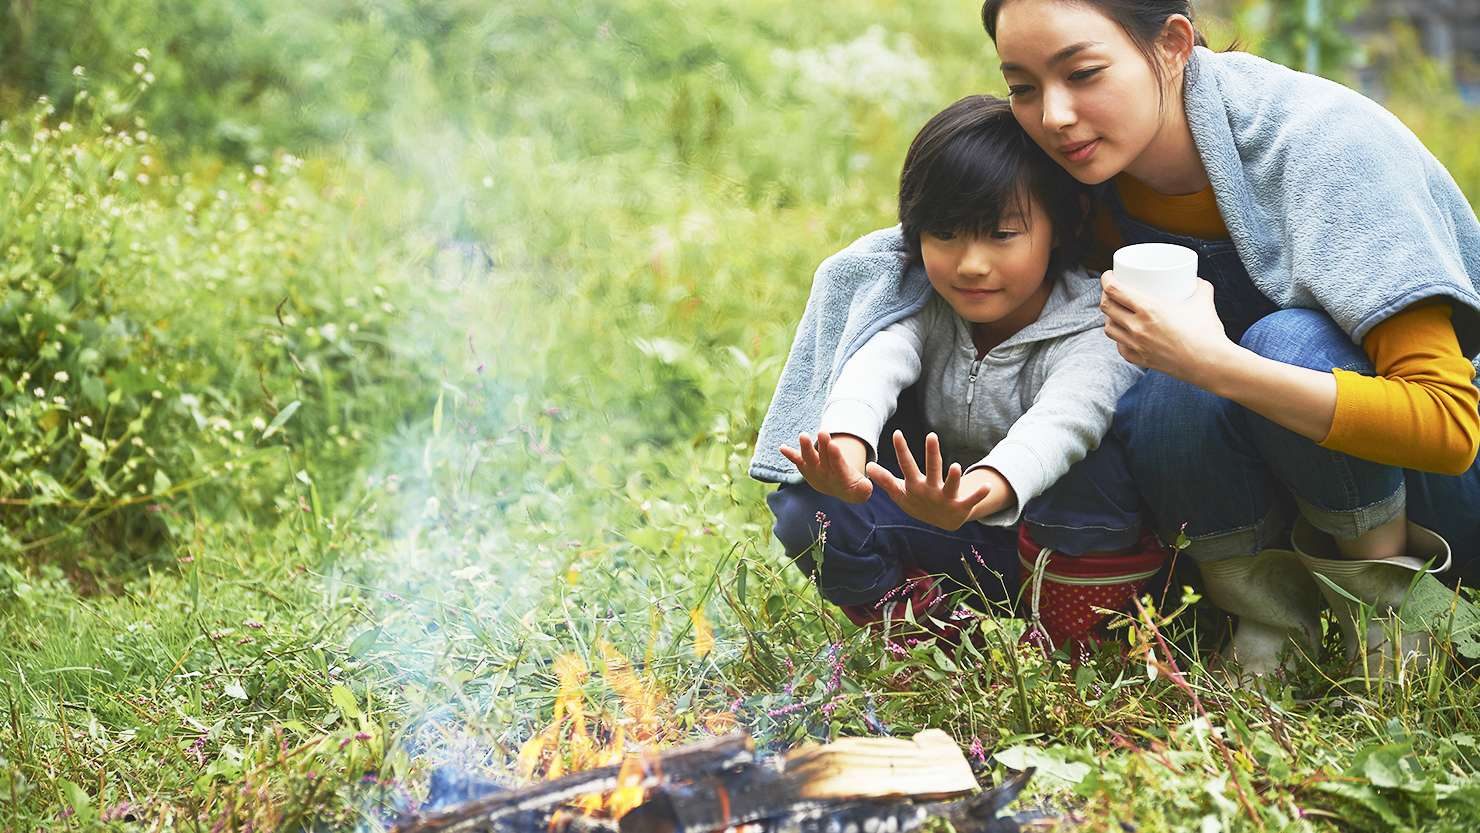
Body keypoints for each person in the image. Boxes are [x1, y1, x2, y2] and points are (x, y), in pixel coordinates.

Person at [971, 0, 1480, 676]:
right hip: (1265, 492)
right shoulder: (1074, 178)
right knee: (1158, 384)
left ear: (1174, 44)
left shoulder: (1327, 147)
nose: (1055, 116)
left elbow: (1449, 428)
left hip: (1437, 506)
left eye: (1085, 73)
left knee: (1287, 339)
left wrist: (1213, 363)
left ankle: (1398, 621)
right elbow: (932, 242)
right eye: (1024, 88)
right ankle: (1266, 624)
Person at [750, 95, 1164, 657]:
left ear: (1060, 229)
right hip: (952, 526)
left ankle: (1082, 646)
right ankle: (933, 640)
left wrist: (974, 493)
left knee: (1095, 469)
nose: (971, 264)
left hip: (1062, 545)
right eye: (945, 235)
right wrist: (846, 446)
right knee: (807, 513)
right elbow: (876, 361)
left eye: (1001, 235)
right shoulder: (920, 301)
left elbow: (1064, 422)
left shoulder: (1097, 322)